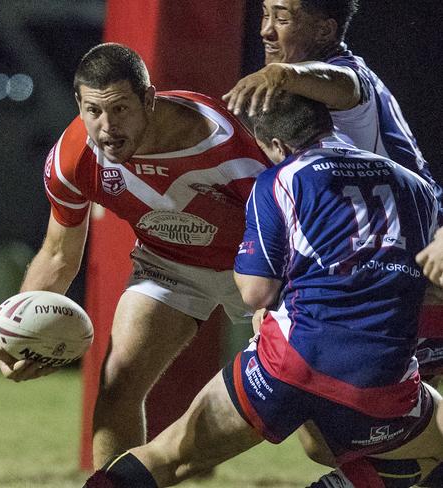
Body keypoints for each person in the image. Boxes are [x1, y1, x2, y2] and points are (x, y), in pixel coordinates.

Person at [83, 93, 443, 488]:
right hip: (376, 379)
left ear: (278, 146)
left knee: (171, 457)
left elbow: (255, 293)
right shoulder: (415, 186)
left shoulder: (279, 179)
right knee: (425, 451)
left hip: (285, 363)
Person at [0, 42, 271, 468]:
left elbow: (287, 236)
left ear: (149, 99)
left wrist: (274, 305)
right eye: (94, 111)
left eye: (121, 109)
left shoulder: (227, 147)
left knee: (310, 420)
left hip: (255, 268)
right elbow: (58, 253)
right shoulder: (74, 158)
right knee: (118, 382)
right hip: (167, 265)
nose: (106, 127)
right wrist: (16, 333)